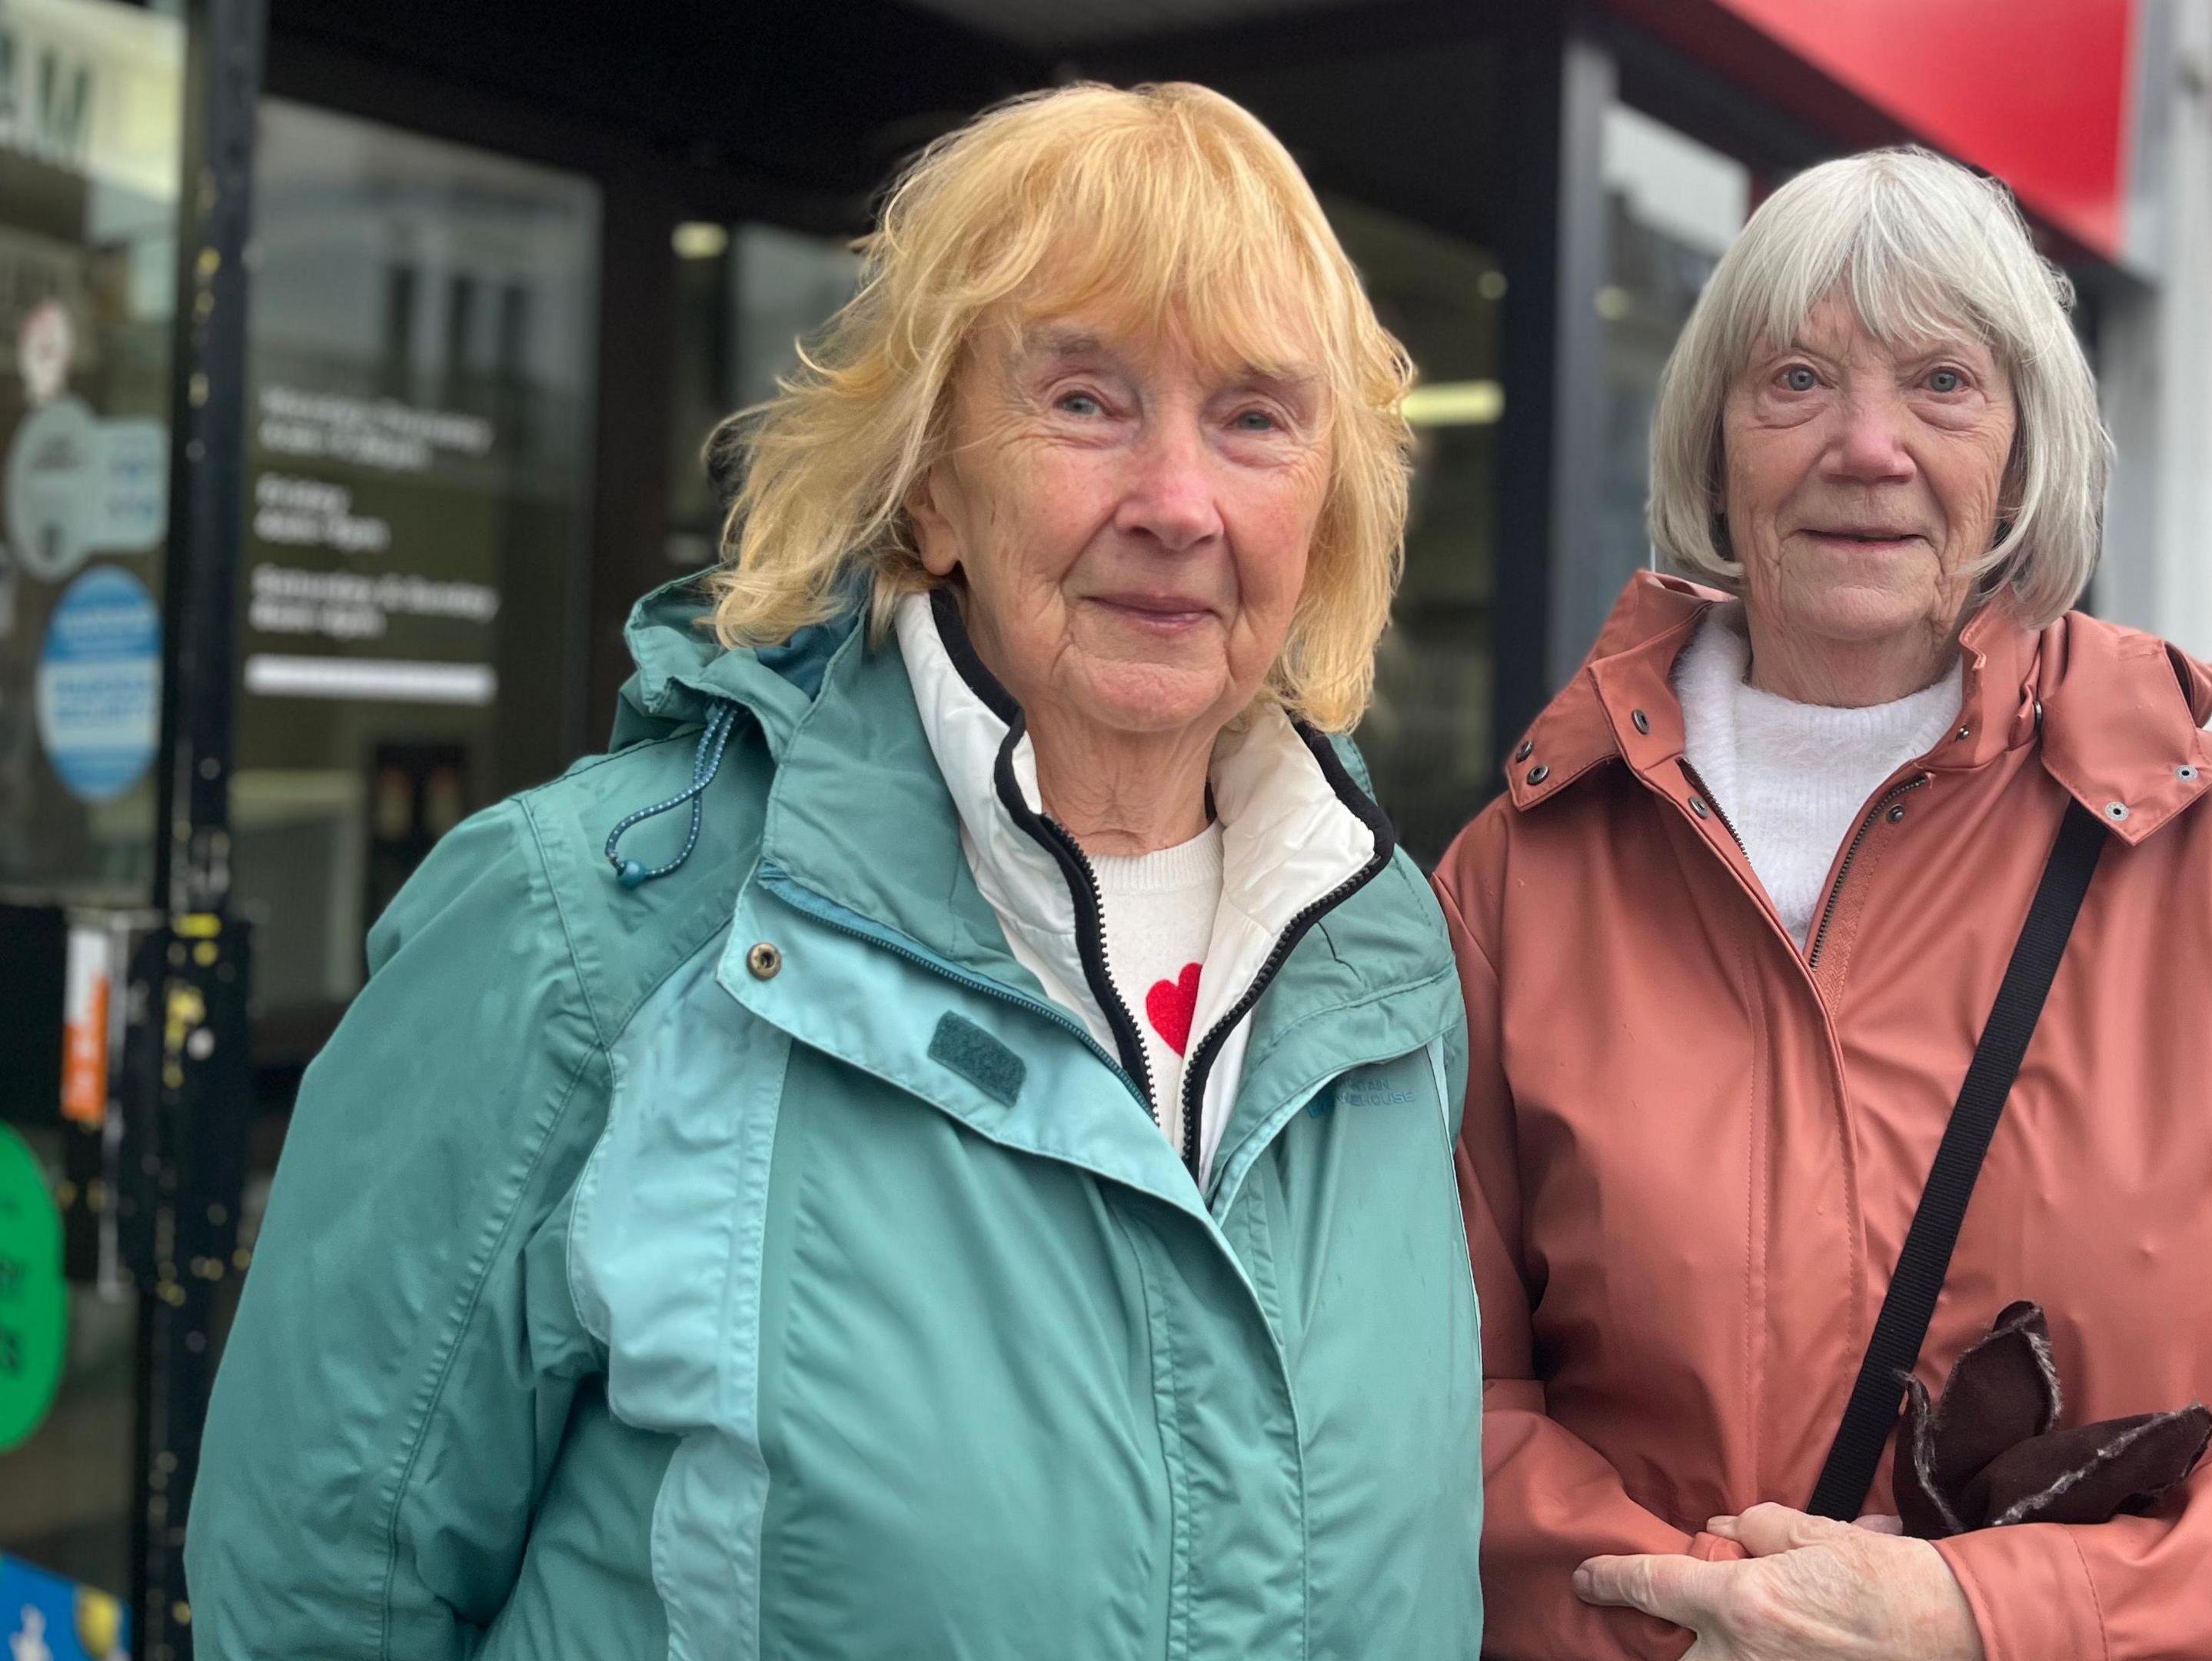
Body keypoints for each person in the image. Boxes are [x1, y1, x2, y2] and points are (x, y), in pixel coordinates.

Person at [188, 84, 1479, 1659]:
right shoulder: (589, 930)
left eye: (1256, 420)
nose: (1177, 503)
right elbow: (322, 1596)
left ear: (1328, 506)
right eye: (1084, 400)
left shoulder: (1391, 975)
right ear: (932, 481)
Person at [1438, 148, 2212, 1660]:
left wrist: (1991, 1618)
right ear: (1713, 444)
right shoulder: (1522, 878)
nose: (1867, 445)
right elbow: (1439, 1403)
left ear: (2027, 449)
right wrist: (1697, 1628)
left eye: (1943, 384)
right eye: (1794, 381)